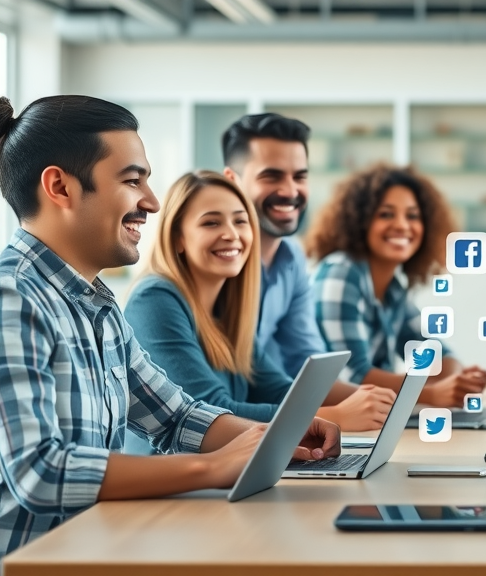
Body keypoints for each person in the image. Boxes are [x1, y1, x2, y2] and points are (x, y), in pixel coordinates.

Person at [0, 95, 338, 557]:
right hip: (37, 564)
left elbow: (176, 416)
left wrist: (280, 435)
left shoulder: (98, 306)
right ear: (60, 186)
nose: (152, 202)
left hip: (95, 550)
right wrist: (211, 468)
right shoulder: (13, 298)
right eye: (132, 180)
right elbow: (38, 473)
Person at [124, 171, 396, 433]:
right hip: (176, 473)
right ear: (177, 238)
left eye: (240, 221)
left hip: (230, 467)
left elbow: (278, 389)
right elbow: (209, 414)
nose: (232, 234)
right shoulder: (155, 299)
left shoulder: (226, 310)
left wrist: (369, 399)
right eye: (211, 222)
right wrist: (332, 417)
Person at [305, 163, 486, 407]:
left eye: (412, 215)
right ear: (359, 222)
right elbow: (355, 376)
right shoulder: (340, 273)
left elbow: (436, 355)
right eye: (386, 214)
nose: (402, 225)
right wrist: (432, 393)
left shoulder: (392, 288)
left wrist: (457, 380)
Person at [221, 113, 347, 380]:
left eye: (300, 177)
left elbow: (306, 360)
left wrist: (378, 400)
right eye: (272, 176)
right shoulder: (217, 260)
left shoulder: (292, 257)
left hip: (266, 411)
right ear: (232, 181)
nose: (290, 191)